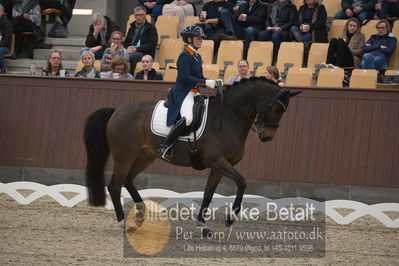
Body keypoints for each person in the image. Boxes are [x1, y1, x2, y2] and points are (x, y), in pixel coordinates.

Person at [158, 25, 219, 160]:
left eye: (201, 38)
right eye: (198, 38)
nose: (201, 41)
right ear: (189, 39)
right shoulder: (184, 56)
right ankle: (165, 146)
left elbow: (199, 76)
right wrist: (204, 83)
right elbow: (185, 78)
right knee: (188, 118)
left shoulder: (197, 56)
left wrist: (211, 81)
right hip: (183, 92)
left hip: (194, 92)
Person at [124, 6, 158, 75]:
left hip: (144, 52)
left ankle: (131, 76)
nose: (138, 17)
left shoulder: (151, 28)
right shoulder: (132, 27)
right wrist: (128, 47)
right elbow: (126, 42)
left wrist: (136, 49)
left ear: (145, 15)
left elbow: (152, 44)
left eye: (141, 15)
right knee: (117, 55)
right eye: (136, 15)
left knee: (133, 57)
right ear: (134, 16)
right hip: (131, 51)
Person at [0, 3, 13, 73]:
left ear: (1, 12)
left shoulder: (7, 23)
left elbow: (7, 39)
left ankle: (3, 68)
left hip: (5, 47)